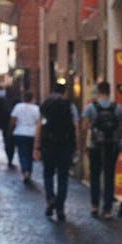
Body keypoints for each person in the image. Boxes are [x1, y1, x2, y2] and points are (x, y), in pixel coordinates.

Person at [33, 81, 80, 222]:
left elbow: (39, 127)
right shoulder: (70, 106)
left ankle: (50, 199)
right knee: (63, 177)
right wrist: (77, 145)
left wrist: (36, 146)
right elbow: (76, 126)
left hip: (48, 145)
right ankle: (60, 208)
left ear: (52, 91)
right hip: (65, 146)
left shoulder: (45, 105)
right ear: (65, 92)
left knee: (48, 174)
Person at [80, 81, 122, 219]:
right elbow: (121, 127)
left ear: (98, 91)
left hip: (95, 146)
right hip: (111, 146)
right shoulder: (117, 108)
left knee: (94, 175)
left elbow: (84, 127)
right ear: (110, 91)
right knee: (109, 176)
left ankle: (94, 206)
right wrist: (116, 140)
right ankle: (107, 209)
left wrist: (84, 145)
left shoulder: (91, 108)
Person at [9, 91, 40, 184]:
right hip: (32, 134)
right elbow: (38, 123)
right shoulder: (36, 108)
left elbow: (13, 120)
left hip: (20, 132)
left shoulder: (18, 107)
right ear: (32, 98)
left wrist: (10, 130)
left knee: (22, 153)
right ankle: (28, 171)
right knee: (30, 154)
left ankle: (25, 171)